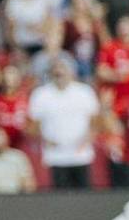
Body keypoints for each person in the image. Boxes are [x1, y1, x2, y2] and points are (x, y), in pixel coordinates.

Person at [27, 55, 100, 188]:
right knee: (59, 197)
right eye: (55, 69)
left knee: (84, 196)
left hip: (81, 154)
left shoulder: (84, 92)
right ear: (50, 73)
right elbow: (32, 125)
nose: (59, 72)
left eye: (63, 68)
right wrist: (44, 139)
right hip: (55, 156)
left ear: (71, 71)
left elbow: (95, 120)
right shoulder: (41, 94)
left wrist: (88, 138)